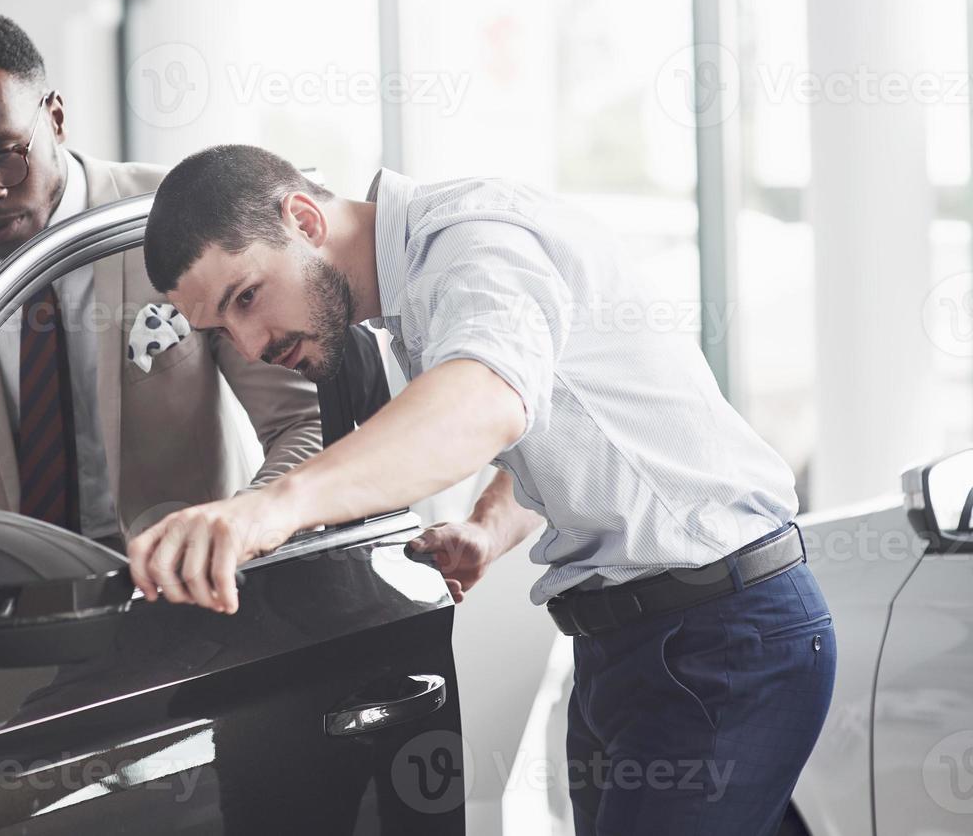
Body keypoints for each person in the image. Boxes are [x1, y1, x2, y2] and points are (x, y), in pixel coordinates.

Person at [128, 143, 836, 836]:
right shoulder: (426, 283)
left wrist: (272, 506)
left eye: (247, 297)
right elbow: (565, 417)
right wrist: (490, 528)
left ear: (305, 222)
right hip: (630, 648)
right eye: (223, 327)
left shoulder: (473, 247)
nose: (250, 347)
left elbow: (487, 400)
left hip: (720, 638)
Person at [0, 15, 322, 544]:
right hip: (28, 609)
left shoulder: (183, 215)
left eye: (3, 155)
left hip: (200, 597)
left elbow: (303, 426)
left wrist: (230, 534)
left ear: (57, 118)